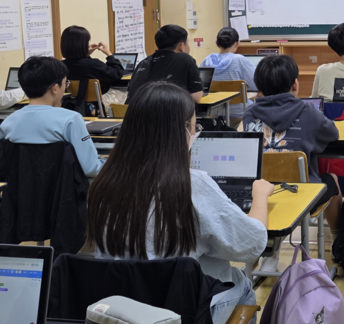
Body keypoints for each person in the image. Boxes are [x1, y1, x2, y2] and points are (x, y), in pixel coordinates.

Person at [85, 82, 274, 324]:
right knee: (241, 281)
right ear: (184, 130)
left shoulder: (103, 183)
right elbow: (252, 244)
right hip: (177, 311)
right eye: (195, 126)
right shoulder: (192, 185)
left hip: (120, 307)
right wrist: (260, 195)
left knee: (205, 257)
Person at [243, 54, 342, 238]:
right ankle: (338, 238)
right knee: (332, 179)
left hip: (259, 194)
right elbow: (333, 134)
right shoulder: (308, 111)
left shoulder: (248, 114)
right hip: (302, 194)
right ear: (295, 84)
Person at [0, 57, 103, 177]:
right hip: (64, 188)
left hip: (19, 187)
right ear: (54, 88)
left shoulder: (8, 122)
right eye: (66, 83)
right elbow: (91, 168)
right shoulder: (71, 119)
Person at [127, 25, 202, 104]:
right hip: (163, 110)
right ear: (181, 46)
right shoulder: (186, 59)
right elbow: (196, 97)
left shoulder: (143, 62)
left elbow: (129, 93)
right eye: (188, 43)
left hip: (132, 110)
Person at [200, 27, 257, 118]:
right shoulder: (240, 60)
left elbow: (200, 86)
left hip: (214, 113)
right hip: (239, 112)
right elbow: (257, 85)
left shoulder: (207, 60)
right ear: (237, 43)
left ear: (217, 43)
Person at [60, 25, 124, 94]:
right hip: (95, 101)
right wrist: (109, 54)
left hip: (68, 100)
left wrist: (85, 55)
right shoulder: (93, 64)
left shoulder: (60, 66)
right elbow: (117, 74)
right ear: (83, 45)